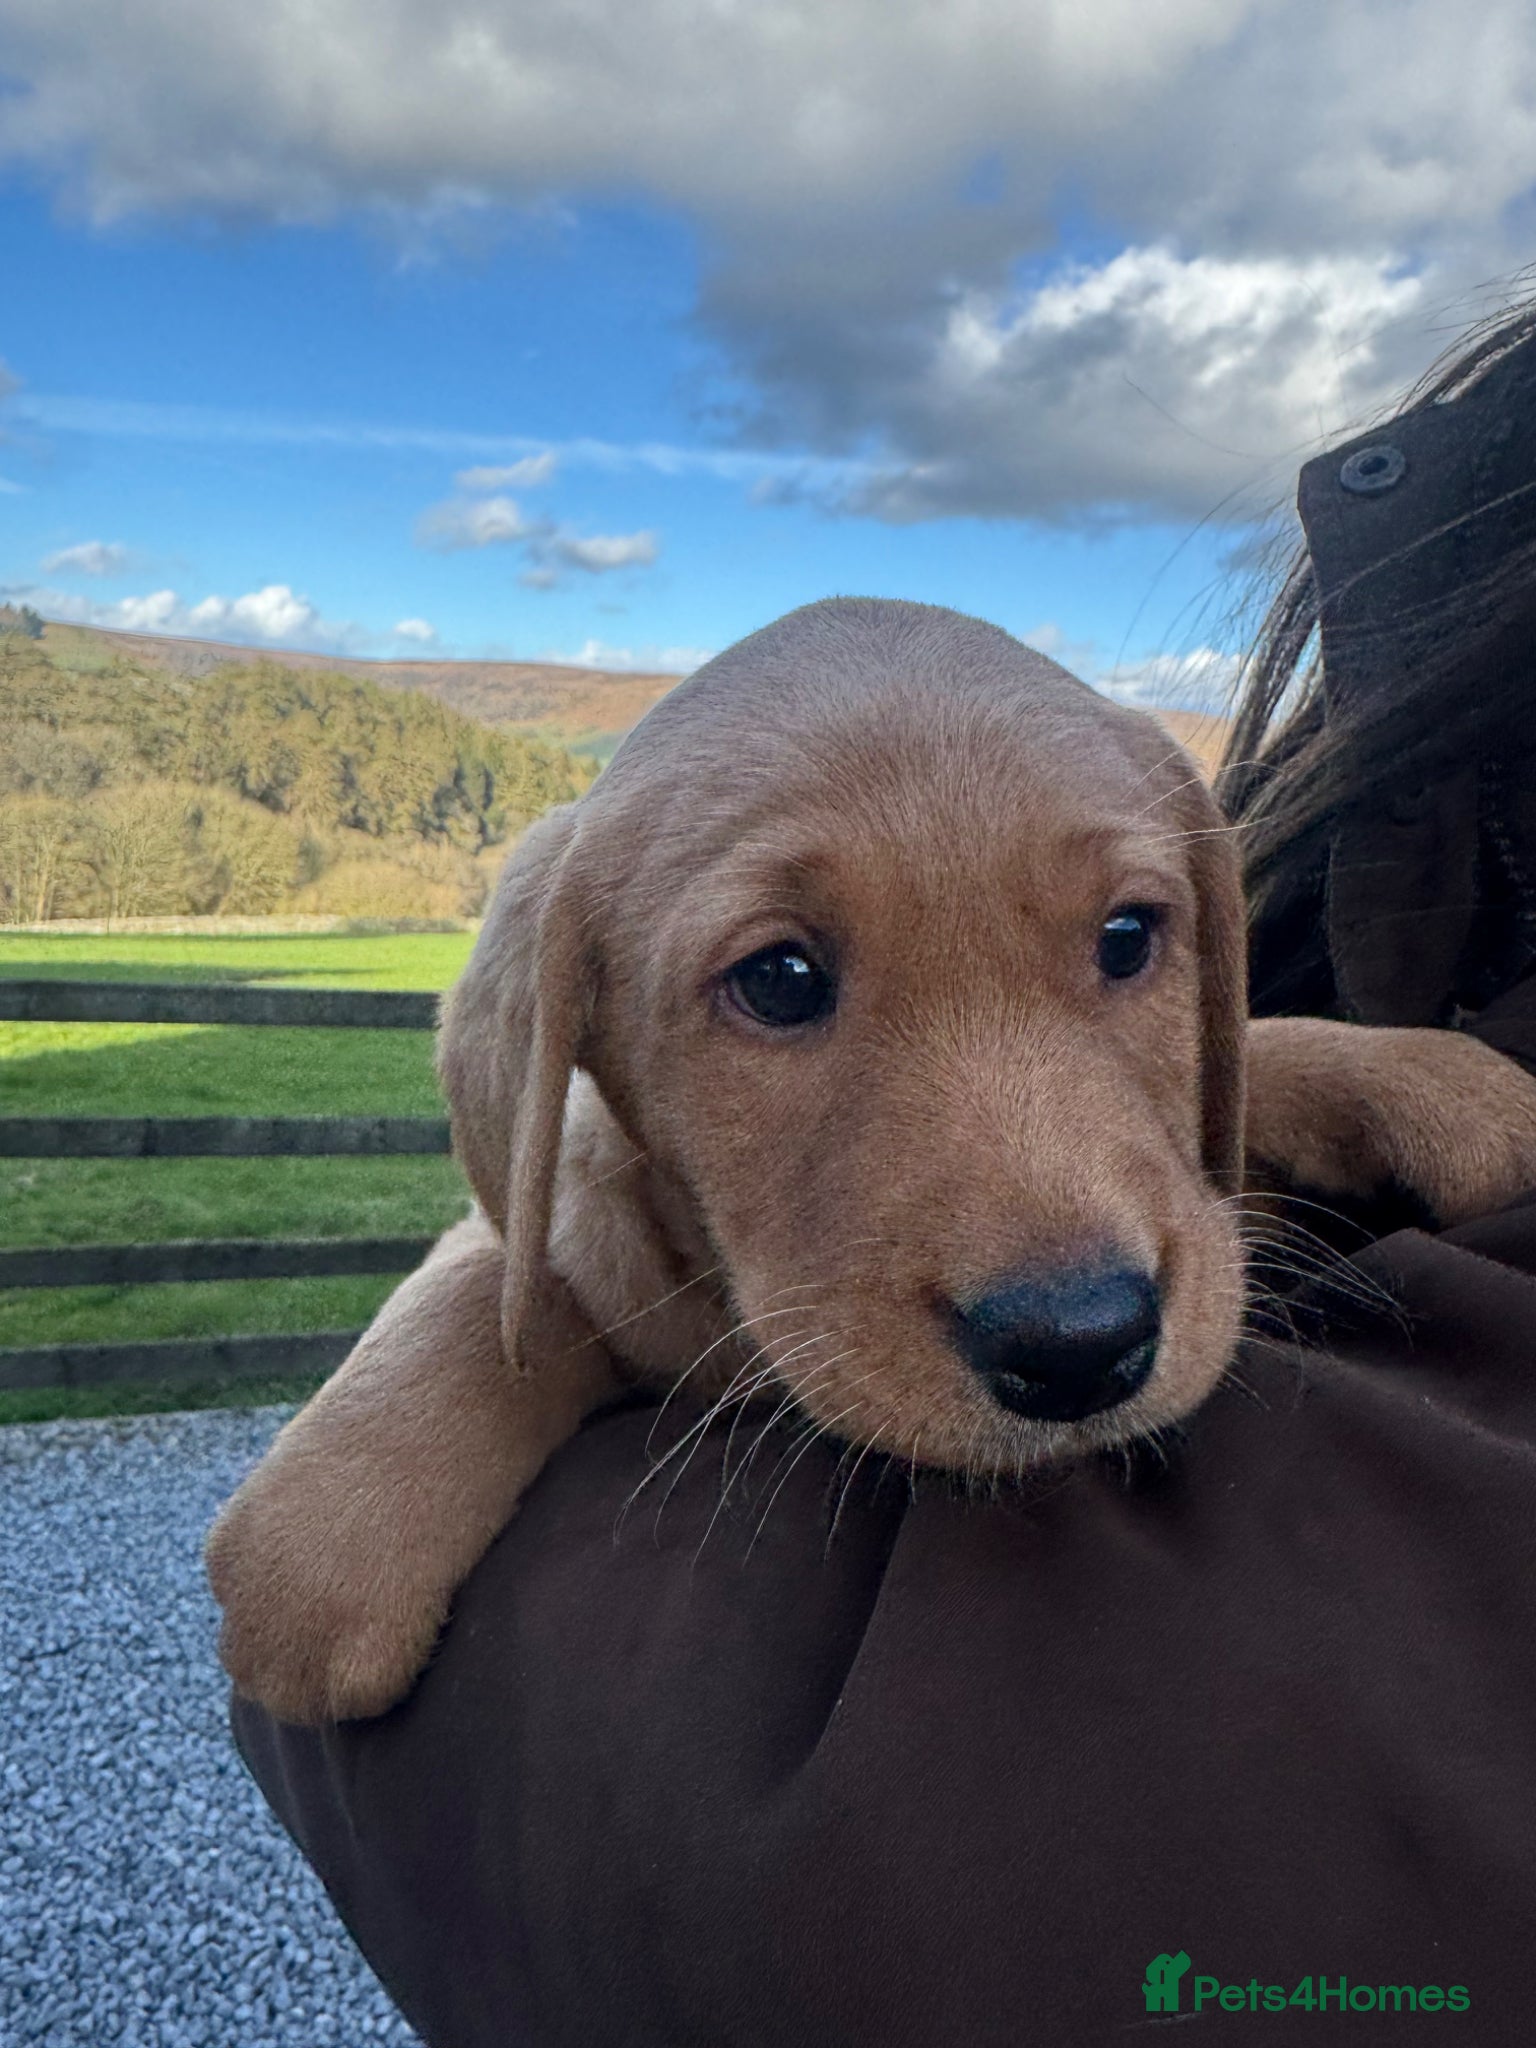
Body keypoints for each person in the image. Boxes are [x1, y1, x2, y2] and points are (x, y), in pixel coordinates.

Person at [231, 299, 1536, 2046]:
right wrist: (455, 1359)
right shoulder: (573, 1045)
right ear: (560, 1052)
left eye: (1129, 933)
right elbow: (535, 1245)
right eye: (780, 980)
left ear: (1210, 927)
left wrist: (1289, 1074)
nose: (1058, 1255)